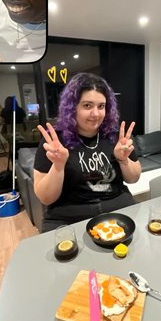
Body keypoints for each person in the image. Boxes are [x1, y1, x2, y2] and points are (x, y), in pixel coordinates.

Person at [33, 73, 142, 232]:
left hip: (118, 207)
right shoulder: (54, 141)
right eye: (87, 105)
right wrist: (58, 167)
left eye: (101, 106)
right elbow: (46, 197)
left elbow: (134, 178)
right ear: (72, 108)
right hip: (69, 216)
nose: (96, 114)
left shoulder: (117, 136)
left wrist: (124, 161)